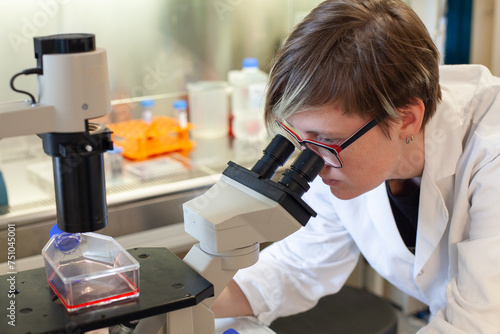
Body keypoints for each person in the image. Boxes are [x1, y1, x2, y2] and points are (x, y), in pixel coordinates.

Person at [211, 0, 500, 332]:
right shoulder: (347, 151)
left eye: (326, 140)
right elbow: (299, 266)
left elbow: (476, 323)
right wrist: (184, 296)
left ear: (406, 119)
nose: (313, 166)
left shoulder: (492, 153)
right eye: (299, 138)